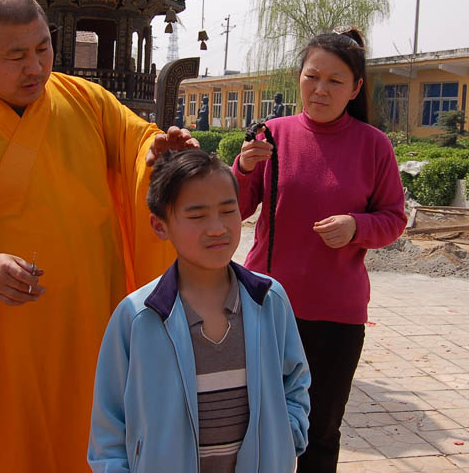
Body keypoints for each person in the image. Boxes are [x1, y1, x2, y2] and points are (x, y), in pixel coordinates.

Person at [0, 0, 197, 472]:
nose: (35, 67)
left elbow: (136, 144)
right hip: (8, 335)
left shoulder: (87, 101)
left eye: (42, 48)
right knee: (14, 450)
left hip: (94, 318)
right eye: (16, 56)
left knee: (97, 442)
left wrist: (157, 156)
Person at [233, 27, 407, 473]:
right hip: (266, 306)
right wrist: (243, 166)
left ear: (356, 88)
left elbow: (394, 219)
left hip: (337, 314)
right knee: (249, 425)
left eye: (335, 81)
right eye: (312, 77)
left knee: (320, 432)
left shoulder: (374, 146)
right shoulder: (272, 135)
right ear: (299, 78)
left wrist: (356, 226)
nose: (321, 90)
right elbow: (232, 208)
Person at [89, 148, 310, 473]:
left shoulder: (268, 299)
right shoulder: (139, 316)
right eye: (197, 216)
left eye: (227, 211)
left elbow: (296, 380)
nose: (217, 227)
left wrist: (285, 437)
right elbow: (109, 420)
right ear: (160, 225)